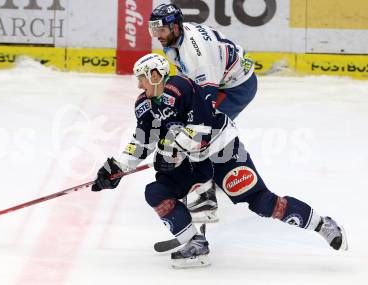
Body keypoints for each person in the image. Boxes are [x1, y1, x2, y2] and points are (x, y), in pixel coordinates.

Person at [90, 53, 348, 269]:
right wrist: (117, 168)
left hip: (222, 150)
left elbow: (201, 130)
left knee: (263, 203)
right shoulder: (144, 105)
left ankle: (322, 225)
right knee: (156, 191)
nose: (139, 86)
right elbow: (142, 141)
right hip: (192, 159)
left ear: (156, 75)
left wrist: (172, 151)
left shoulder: (183, 87)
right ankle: (196, 245)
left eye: (142, 79)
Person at [148, 3, 257, 222]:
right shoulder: (174, 40)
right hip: (223, 79)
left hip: (235, 87)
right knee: (192, 128)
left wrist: (191, 136)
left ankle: (205, 194)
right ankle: (206, 176)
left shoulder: (197, 56)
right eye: (154, 30)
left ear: (175, 26)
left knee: (205, 132)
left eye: (161, 29)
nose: (157, 35)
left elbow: (206, 108)